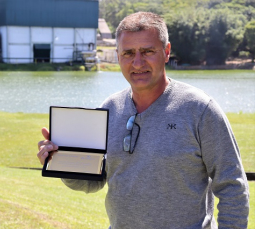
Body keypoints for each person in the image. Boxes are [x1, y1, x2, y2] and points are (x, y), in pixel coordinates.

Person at [37, 12, 249, 228]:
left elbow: (233, 186)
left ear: (166, 52)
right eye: (128, 53)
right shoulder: (109, 108)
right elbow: (93, 182)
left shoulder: (200, 110)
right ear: (118, 56)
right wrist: (61, 162)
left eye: (148, 51)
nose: (138, 62)